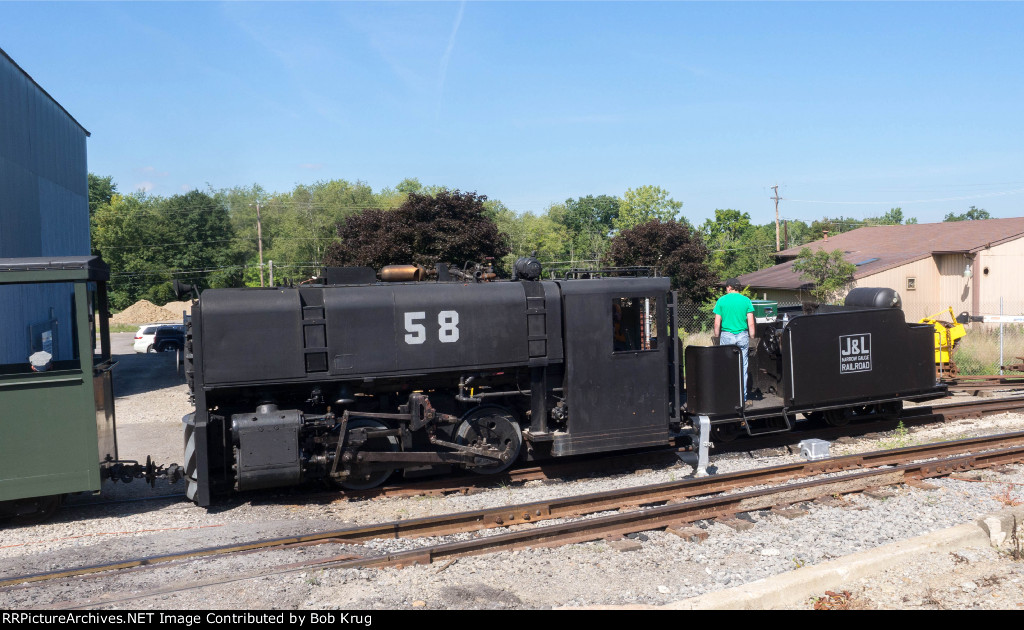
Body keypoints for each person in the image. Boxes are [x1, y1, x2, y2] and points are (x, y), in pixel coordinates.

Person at [713, 278, 756, 404]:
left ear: (730, 287)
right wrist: (752, 339)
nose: (726, 289)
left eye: (726, 287)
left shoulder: (721, 300)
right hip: (742, 335)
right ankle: (742, 398)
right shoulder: (746, 300)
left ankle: (727, 396)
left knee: (726, 366)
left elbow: (717, 323)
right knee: (743, 367)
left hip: (726, 336)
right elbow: (751, 323)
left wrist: (717, 338)